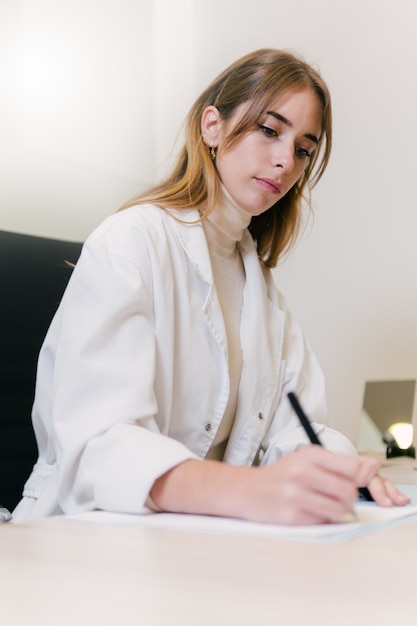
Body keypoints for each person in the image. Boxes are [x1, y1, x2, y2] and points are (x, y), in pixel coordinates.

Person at [13, 48, 409, 525]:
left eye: (304, 148)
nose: (286, 161)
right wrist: (252, 490)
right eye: (269, 130)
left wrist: (338, 468)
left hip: (192, 540)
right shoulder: (131, 242)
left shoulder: (259, 287)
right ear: (212, 127)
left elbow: (293, 426)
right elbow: (98, 449)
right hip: (82, 537)